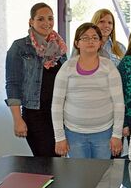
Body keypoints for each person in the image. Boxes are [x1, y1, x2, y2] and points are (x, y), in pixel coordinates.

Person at [52, 23, 124, 159]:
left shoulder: (108, 67)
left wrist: (116, 135)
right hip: (73, 134)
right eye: (85, 38)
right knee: (79, 178)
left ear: (100, 43)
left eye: (95, 38)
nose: (90, 41)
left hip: (104, 133)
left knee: (102, 178)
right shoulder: (67, 67)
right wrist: (59, 137)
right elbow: (56, 104)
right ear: (77, 43)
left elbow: (119, 103)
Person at [5, 2, 67, 157]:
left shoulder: (60, 47)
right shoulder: (19, 47)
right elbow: (12, 84)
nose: (47, 23)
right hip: (35, 114)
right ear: (31, 21)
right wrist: (17, 119)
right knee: (46, 161)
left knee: (60, 162)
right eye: (40, 19)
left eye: (50, 18)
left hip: (60, 113)